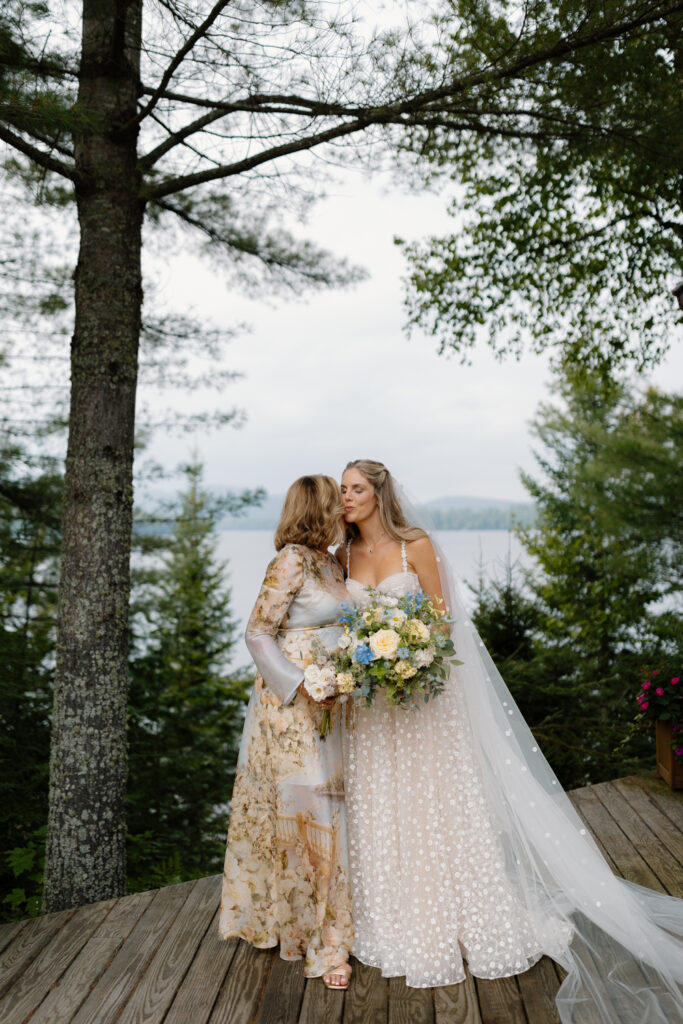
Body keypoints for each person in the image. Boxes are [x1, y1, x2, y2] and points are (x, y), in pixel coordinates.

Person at [337, 458, 683, 1022]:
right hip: (374, 714)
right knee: (383, 806)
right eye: (342, 489)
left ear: (378, 494)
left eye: (354, 488)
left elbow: (445, 624)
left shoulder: (414, 545)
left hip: (424, 701)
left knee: (438, 805)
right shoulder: (341, 556)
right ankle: (394, 914)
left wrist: (408, 656)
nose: (345, 497)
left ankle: (463, 916)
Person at [219, 475, 353, 990]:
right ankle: (319, 943)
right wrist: (301, 686)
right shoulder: (291, 560)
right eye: (336, 500)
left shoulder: (330, 560)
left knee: (333, 811)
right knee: (310, 814)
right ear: (317, 508)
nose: (344, 506)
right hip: (293, 710)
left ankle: (330, 921)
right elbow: (257, 632)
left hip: (335, 705)